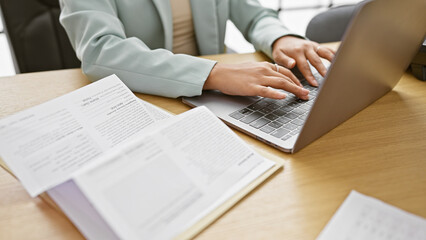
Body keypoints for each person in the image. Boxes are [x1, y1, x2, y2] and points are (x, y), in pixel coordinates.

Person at [59, 0, 335, 100]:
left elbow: (253, 15)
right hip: (144, 95)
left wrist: (281, 38)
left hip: (216, 93)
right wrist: (213, 73)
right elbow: (101, 50)